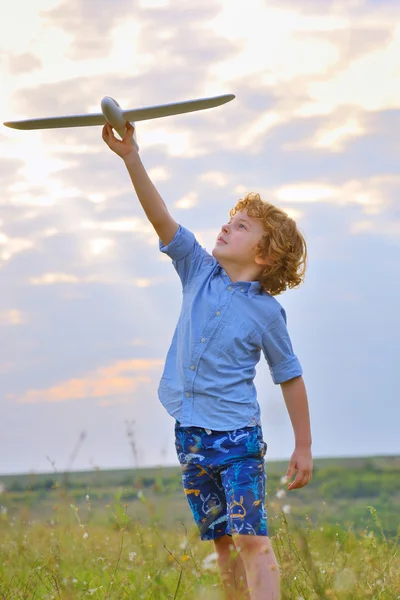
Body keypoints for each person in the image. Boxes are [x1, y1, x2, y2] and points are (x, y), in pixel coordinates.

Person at [102, 121, 313, 600]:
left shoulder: (266, 312)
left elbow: (290, 376)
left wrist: (303, 445)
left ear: (265, 254)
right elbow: (162, 220)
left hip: (237, 437)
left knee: (251, 539)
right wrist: (131, 157)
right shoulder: (198, 270)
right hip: (191, 435)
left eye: (241, 226)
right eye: (229, 219)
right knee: (222, 542)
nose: (226, 226)